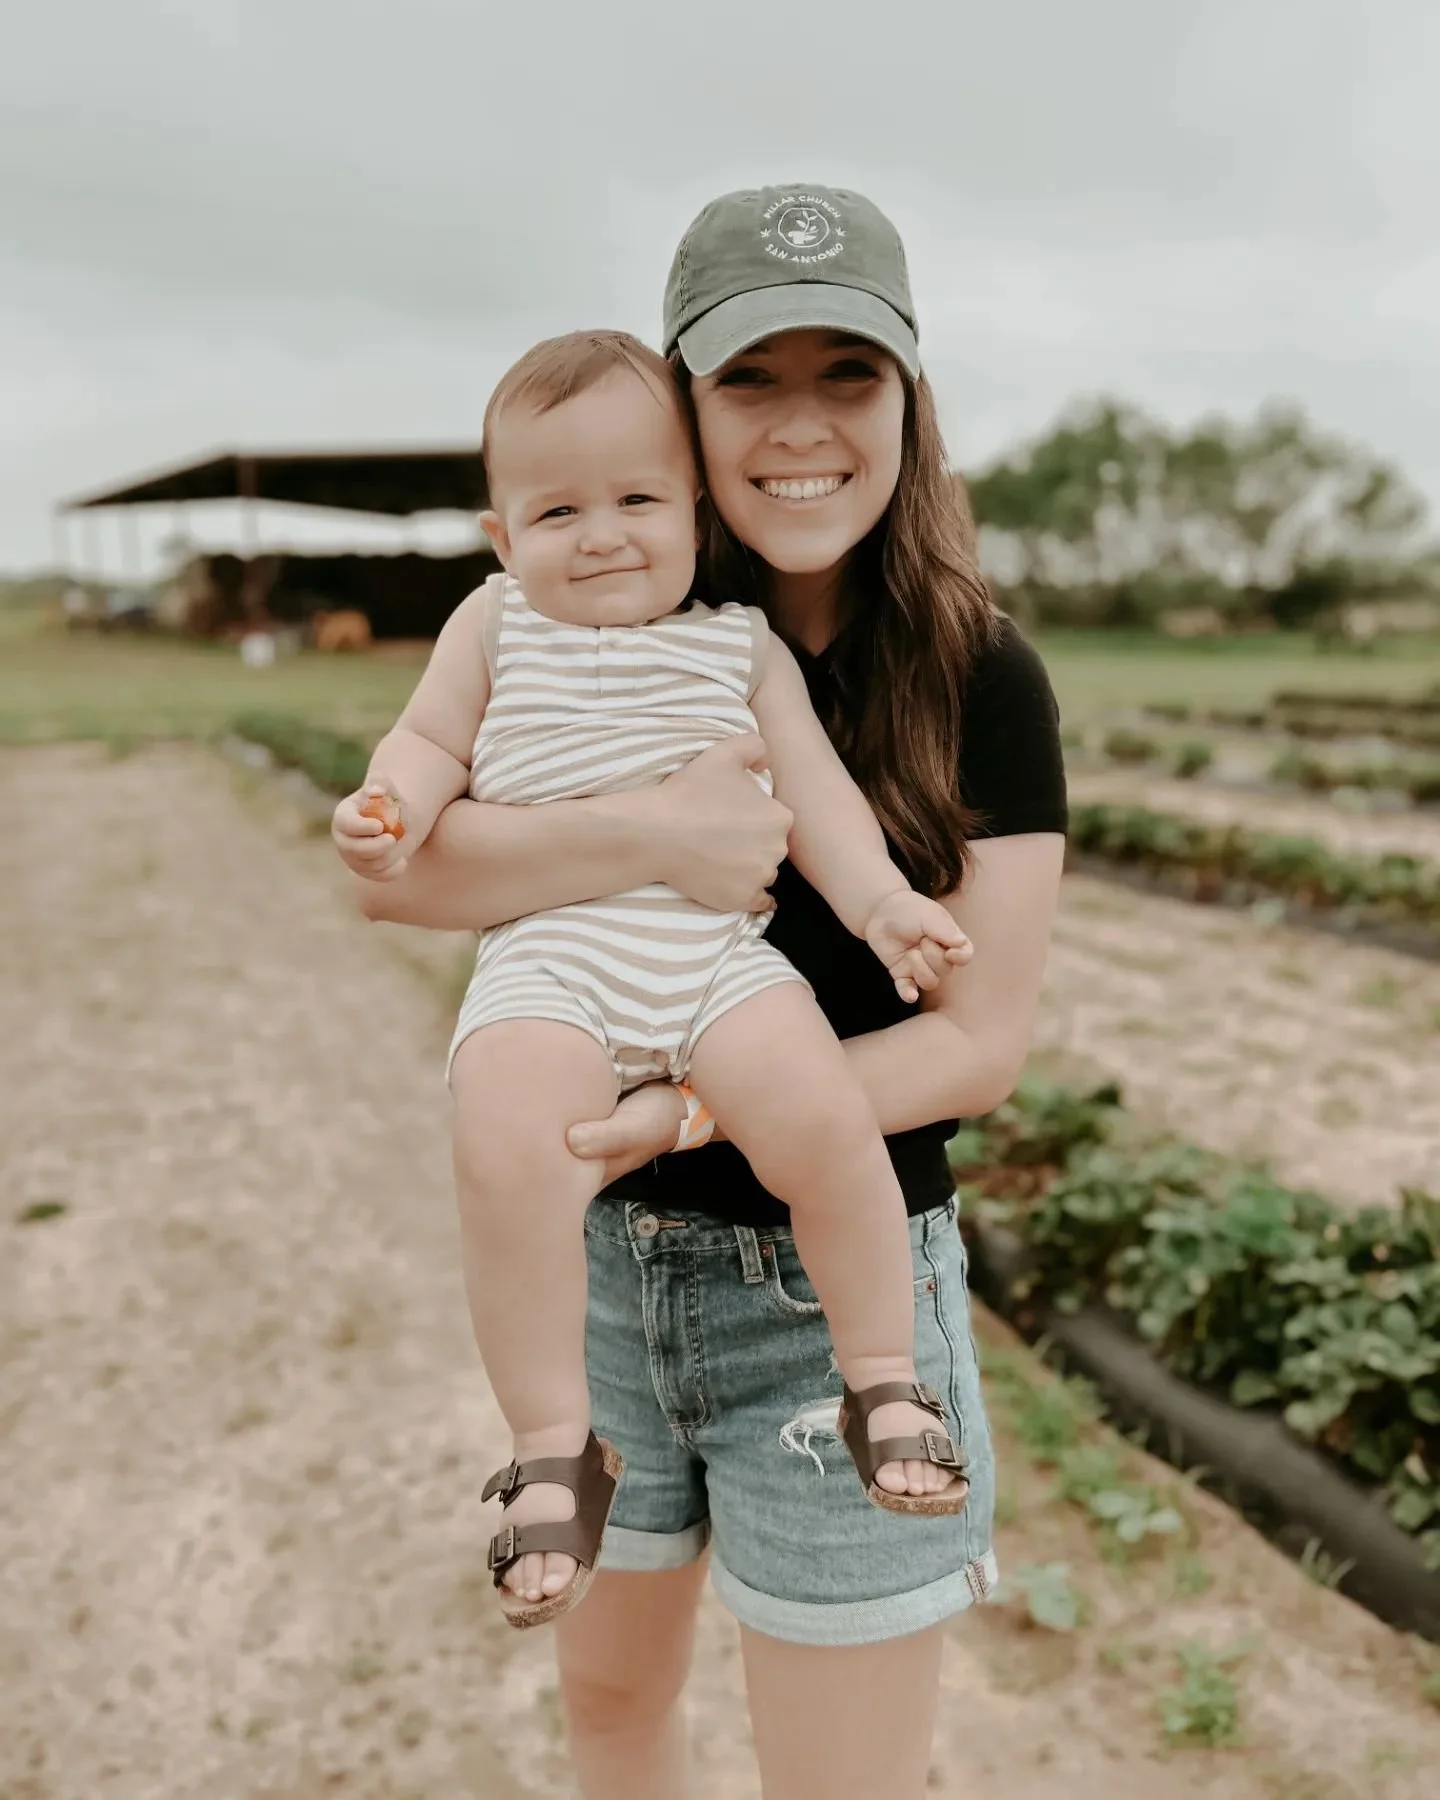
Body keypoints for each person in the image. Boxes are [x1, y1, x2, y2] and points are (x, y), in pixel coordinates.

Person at [355, 183, 1067, 1800]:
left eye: (850, 376)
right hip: (613, 1276)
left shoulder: (978, 675)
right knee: (612, 1715)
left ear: (909, 401)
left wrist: (687, 1106)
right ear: (685, 402)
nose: (802, 426)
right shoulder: (576, 625)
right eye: (752, 378)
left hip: (835, 1292)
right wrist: (648, 832)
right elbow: (392, 874)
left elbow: (980, 1042)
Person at [332, 327, 977, 1628]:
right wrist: (388, 803)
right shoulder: (493, 622)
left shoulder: (738, 646)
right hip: (555, 956)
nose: (603, 533)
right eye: (556, 509)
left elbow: (821, 799)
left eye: (634, 500)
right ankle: (555, 1448)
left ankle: (883, 1380)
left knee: (824, 1123)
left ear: (690, 509)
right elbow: (425, 739)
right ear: (500, 534)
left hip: (710, 961)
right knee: (507, 1143)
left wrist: (886, 905)